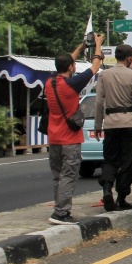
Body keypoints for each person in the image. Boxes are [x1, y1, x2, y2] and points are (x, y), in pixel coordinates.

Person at [46, 33, 104, 225]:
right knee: (69, 176)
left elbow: (65, 62)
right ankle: (61, 213)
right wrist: (97, 45)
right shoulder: (71, 85)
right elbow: (95, 67)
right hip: (69, 138)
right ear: (71, 67)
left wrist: (81, 47)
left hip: (53, 137)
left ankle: (58, 207)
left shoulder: (50, 82)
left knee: (58, 176)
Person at [94, 43, 132, 212]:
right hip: (129, 123)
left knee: (109, 159)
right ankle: (121, 197)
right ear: (129, 58)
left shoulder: (104, 75)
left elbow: (98, 102)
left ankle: (107, 188)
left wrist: (97, 125)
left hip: (110, 123)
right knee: (127, 161)